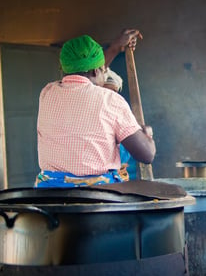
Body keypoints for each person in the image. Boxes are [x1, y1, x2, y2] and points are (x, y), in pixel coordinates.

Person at [34, 30, 155, 187]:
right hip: (97, 197)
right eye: (103, 70)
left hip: (48, 195)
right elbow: (147, 155)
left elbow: (83, 75)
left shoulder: (47, 93)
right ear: (96, 70)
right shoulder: (110, 100)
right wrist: (147, 135)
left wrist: (116, 47)